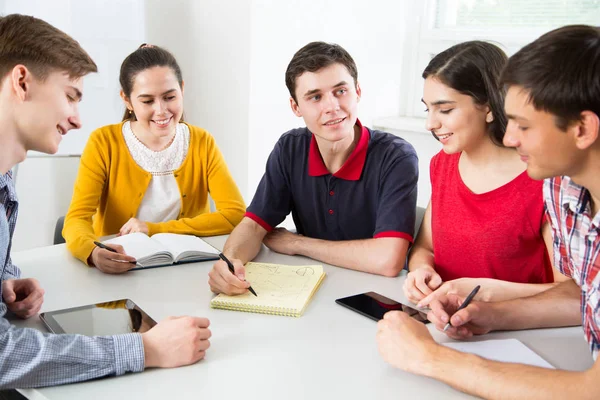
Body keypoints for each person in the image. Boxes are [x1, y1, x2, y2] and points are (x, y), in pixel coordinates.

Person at [377, 25, 600, 399]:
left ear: (582, 128)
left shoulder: (547, 185)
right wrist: (492, 311)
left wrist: (429, 357)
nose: (511, 137)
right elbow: (579, 297)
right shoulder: (569, 193)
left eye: (523, 125)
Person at [0, 14, 211, 390]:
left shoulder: (6, 176)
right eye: (70, 96)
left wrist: (5, 279)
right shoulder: (104, 142)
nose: (77, 120)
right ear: (21, 81)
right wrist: (145, 349)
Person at [208, 41, 418, 295]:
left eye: (341, 91)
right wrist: (229, 263)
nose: (332, 106)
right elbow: (254, 226)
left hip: (376, 296)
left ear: (358, 92)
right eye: (315, 97)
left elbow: (388, 260)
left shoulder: (396, 157)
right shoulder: (290, 148)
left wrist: (297, 243)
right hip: (311, 290)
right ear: (296, 107)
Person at [404, 41, 568, 307]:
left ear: (490, 106)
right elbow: (426, 249)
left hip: (518, 332)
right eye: (428, 108)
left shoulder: (545, 182)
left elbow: (568, 292)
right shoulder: (442, 164)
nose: (430, 124)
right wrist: (421, 271)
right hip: (446, 322)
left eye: (445, 110)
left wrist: (486, 293)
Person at [63, 44, 245, 274]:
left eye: (170, 97)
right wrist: (92, 251)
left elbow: (235, 215)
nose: (161, 111)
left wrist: (153, 228)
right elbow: (77, 218)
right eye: (147, 101)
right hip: (122, 272)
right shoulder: (103, 142)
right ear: (127, 100)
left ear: (182, 89)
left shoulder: (201, 141)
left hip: (185, 269)